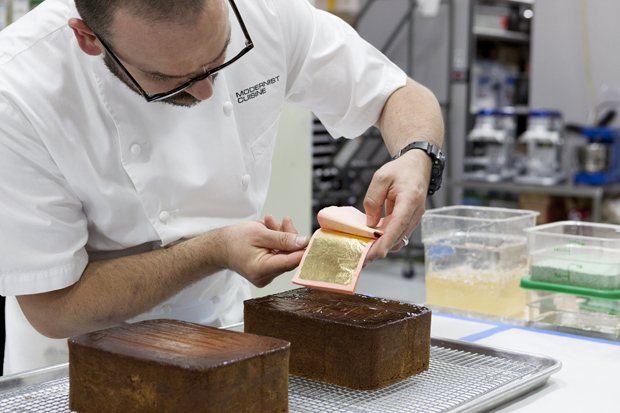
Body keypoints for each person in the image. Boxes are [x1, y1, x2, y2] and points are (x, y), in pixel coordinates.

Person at [0, 0, 444, 374]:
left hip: (223, 341)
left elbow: (397, 93)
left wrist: (417, 155)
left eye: (220, 59)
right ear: (89, 39)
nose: (209, 91)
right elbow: (53, 307)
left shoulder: (265, 11)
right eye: (169, 79)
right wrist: (214, 251)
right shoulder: (19, 91)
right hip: (81, 366)